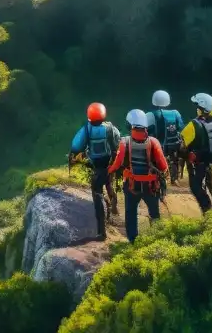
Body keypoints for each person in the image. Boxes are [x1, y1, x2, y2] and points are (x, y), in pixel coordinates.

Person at [108, 109, 169, 243]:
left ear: (130, 125)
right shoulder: (154, 142)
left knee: (131, 214)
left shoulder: (124, 142)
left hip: (132, 187)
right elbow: (164, 166)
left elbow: (116, 165)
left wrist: (109, 170)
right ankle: (157, 240)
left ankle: (133, 241)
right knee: (154, 213)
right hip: (151, 187)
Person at [68, 102, 122, 240]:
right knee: (109, 184)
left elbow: (76, 146)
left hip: (96, 168)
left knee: (97, 196)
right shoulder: (110, 128)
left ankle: (101, 232)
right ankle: (114, 207)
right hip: (110, 166)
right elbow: (118, 143)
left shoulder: (87, 129)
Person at [179, 92, 212, 214]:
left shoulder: (193, 125)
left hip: (198, 161)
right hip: (209, 159)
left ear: (200, 108)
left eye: (197, 106)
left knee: (196, 187)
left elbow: (181, 144)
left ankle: (208, 212)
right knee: (209, 179)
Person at [146, 90, 185, 185]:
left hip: (159, 146)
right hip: (174, 144)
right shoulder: (176, 113)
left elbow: (146, 130)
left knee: (156, 161)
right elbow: (181, 127)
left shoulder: (150, 114)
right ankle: (174, 179)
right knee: (174, 160)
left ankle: (160, 179)